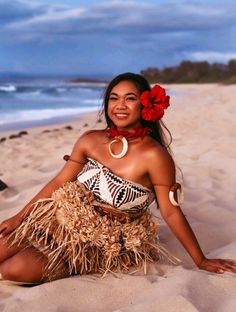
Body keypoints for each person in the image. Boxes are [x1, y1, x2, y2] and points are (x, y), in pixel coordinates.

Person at [0, 72, 235, 284]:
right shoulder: (90, 140)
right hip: (57, 216)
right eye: (114, 98)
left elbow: (171, 212)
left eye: (130, 98)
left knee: (15, 270)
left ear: (145, 105)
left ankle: (71, 261)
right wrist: (19, 217)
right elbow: (60, 181)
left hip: (101, 241)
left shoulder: (155, 156)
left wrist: (201, 260)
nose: (120, 105)